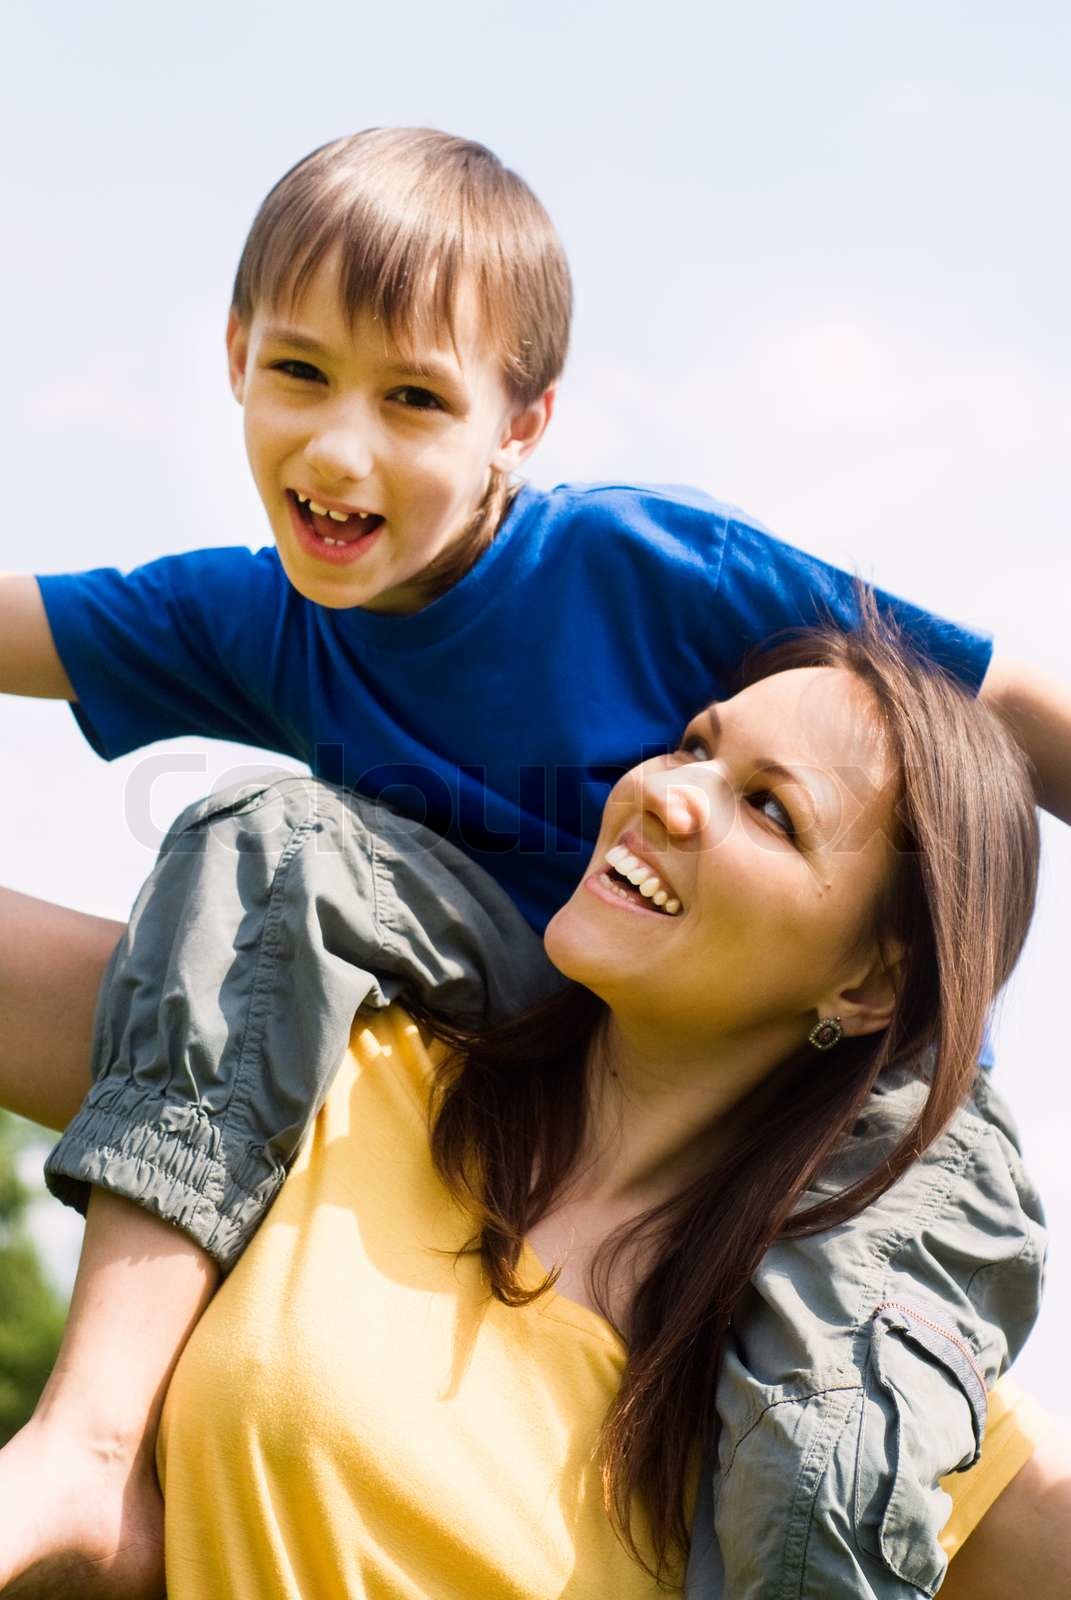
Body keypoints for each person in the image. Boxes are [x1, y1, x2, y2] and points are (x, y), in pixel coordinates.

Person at [0, 125, 1070, 1589]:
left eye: (415, 398)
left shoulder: (644, 568)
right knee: (276, 841)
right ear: (235, 352)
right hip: (517, 996)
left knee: (822, 1437)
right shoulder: (265, 630)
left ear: (520, 424)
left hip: (881, 1116)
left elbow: (995, 707)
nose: (338, 447)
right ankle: (85, 1446)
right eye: (299, 373)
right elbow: (34, 628)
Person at [3, 604, 1066, 1598]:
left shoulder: (851, 1381)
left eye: (770, 808)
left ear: (868, 985)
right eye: (695, 743)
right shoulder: (334, 1063)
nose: (666, 790)